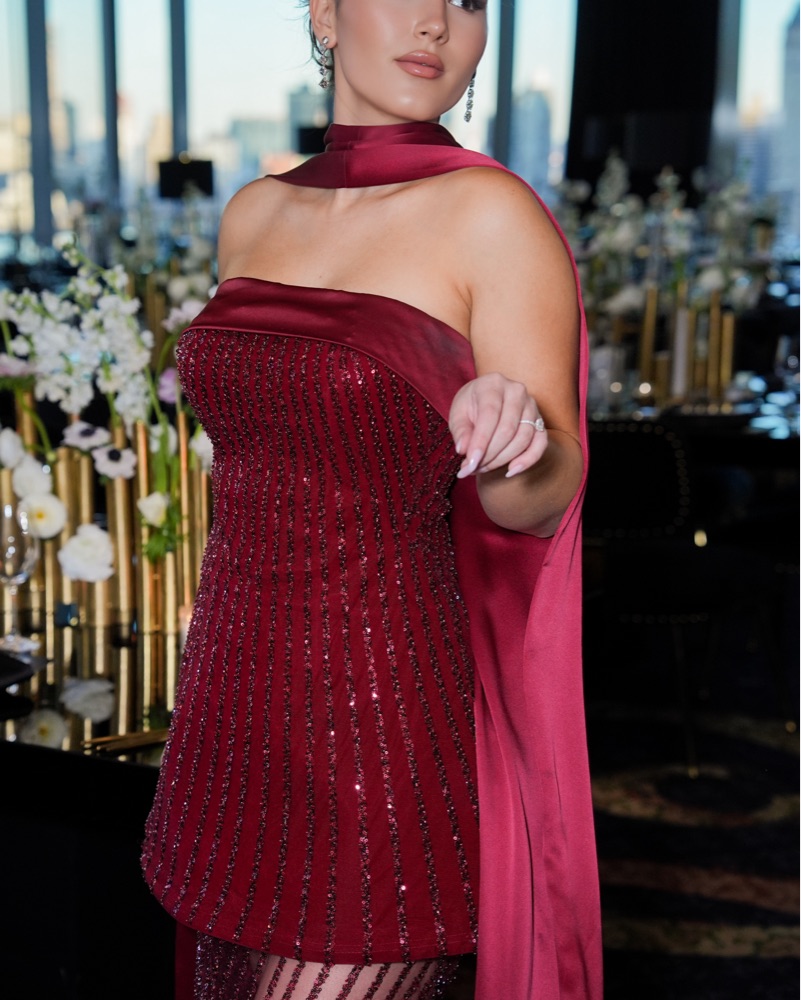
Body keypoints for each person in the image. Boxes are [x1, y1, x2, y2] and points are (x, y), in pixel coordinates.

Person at [142, 2, 602, 998]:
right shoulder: (253, 211)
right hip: (229, 719)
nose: (437, 21)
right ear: (324, 12)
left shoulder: (492, 214)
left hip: (381, 737)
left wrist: (513, 443)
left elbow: (543, 497)